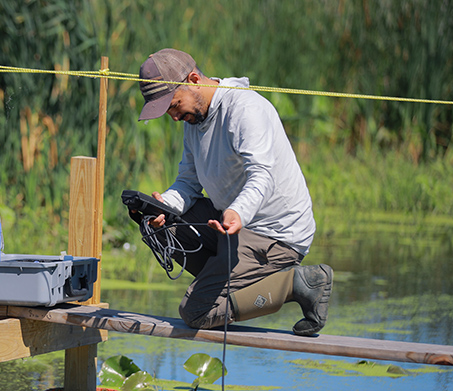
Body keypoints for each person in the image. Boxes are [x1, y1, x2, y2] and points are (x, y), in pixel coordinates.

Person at [136, 48, 333, 336]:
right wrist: (163, 205)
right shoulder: (194, 120)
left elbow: (261, 174)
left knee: (196, 313)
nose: (174, 117)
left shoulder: (245, 110)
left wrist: (238, 211)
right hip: (231, 224)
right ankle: (232, 280)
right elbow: (188, 183)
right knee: (158, 229)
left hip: (275, 233)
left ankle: (297, 283)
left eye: (174, 105)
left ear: (193, 79)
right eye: (168, 111)